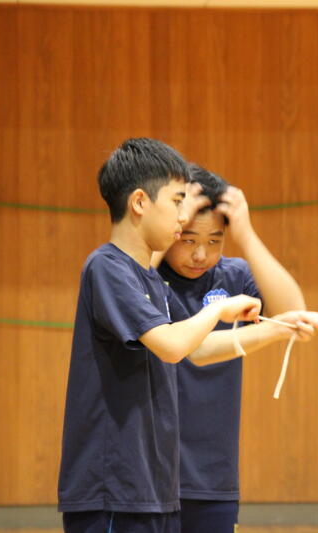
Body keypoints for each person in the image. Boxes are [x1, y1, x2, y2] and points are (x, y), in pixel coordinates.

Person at [58, 138, 261, 533]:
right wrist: (217, 310)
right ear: (139, 202)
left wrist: (277, 328)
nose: (184, 216)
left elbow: (194, 347)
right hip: (114, 492)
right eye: (177, 201)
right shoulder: (107, 268)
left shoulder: (149, 279)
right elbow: (171, 346)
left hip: (154, 488)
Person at [154, 164, 318, 533]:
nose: (201, 254)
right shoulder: (147, 278)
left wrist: (246, 235)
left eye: (215, 241)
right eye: (188, 239)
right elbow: (190, 346)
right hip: (149, 474)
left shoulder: (233, 276)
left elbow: (293, 311)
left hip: (213, 475)